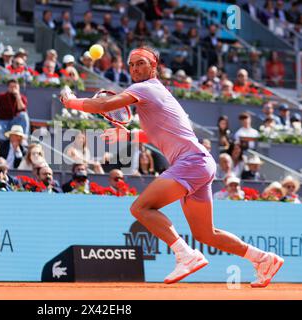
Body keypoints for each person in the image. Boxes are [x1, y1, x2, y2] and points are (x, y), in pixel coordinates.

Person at [60, 45, 284, 287]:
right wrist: (131, 137)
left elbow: (104, 106)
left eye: (140, 63)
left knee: (141, 208)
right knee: (204, 234)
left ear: (153, 67)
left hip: (191, 162)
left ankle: (185, 254)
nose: (135, 68)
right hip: (201, 162)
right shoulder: (156, 92)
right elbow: (163, 134)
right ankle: (263, 259)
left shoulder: (143, 88)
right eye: (132, 65)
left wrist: (72, 102)